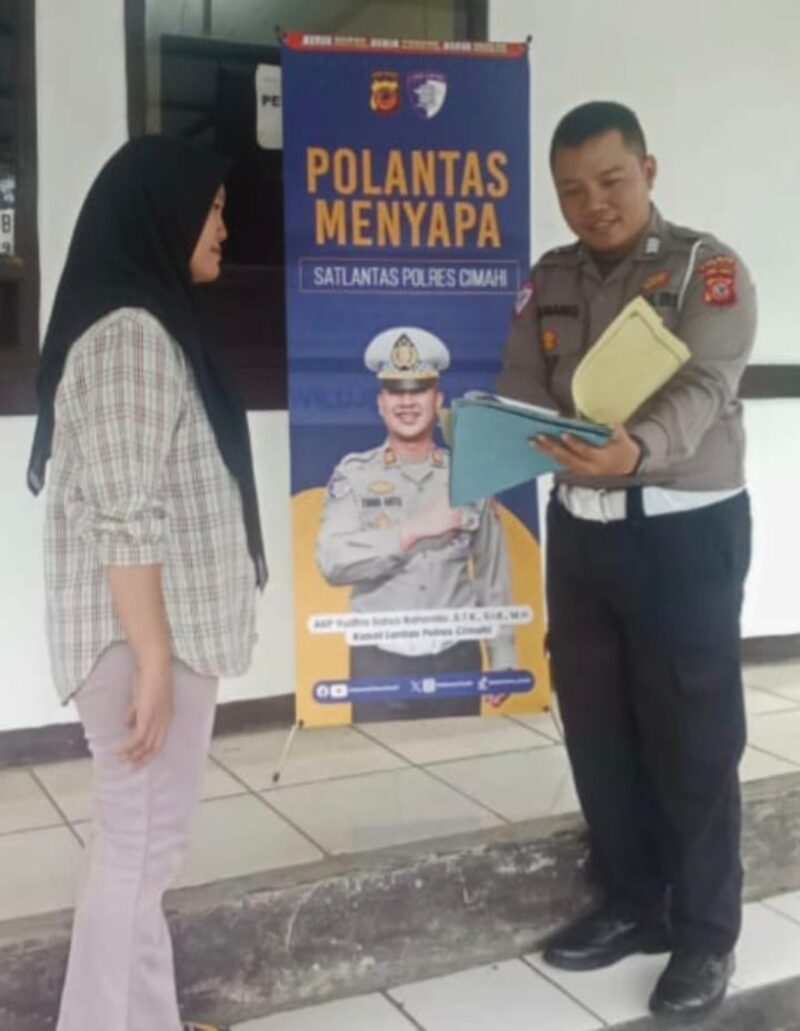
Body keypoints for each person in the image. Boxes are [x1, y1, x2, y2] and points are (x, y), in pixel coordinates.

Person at [496, 102, 755, 1019]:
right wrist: (502, 432)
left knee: (694, 736)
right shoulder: (550, 277)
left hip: (683, 529)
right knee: (598, 727)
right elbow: (522, 379)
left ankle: (707, 932)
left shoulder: (705, 270)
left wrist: (637, 448)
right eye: (571, 190)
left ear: (648, 170)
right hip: (581, 529)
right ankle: (635, 901)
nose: (593, 203)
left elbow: (707, 382)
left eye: (610, 181)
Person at [27, 135, 268, 1031]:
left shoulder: (149, 323)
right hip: (143, 642)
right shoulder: (131, 334)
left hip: (152, 635)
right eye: (211, 209)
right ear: (161, 214)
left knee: (136, 850)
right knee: (138, 853)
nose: (223, 226)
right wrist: (156, 660)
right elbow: (124, 514)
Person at [316, 326, 516, 722]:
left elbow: (491, 576)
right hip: (380, 660)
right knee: (377, 759)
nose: (407, 402)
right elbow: (332, 562)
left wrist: (503, 656)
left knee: (457, 756)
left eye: (419, 390)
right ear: (381, 403)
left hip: (457, 655)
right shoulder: (354, 475)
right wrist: (412, 532)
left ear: (437, 400)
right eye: (396, 392)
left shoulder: (469, 474)